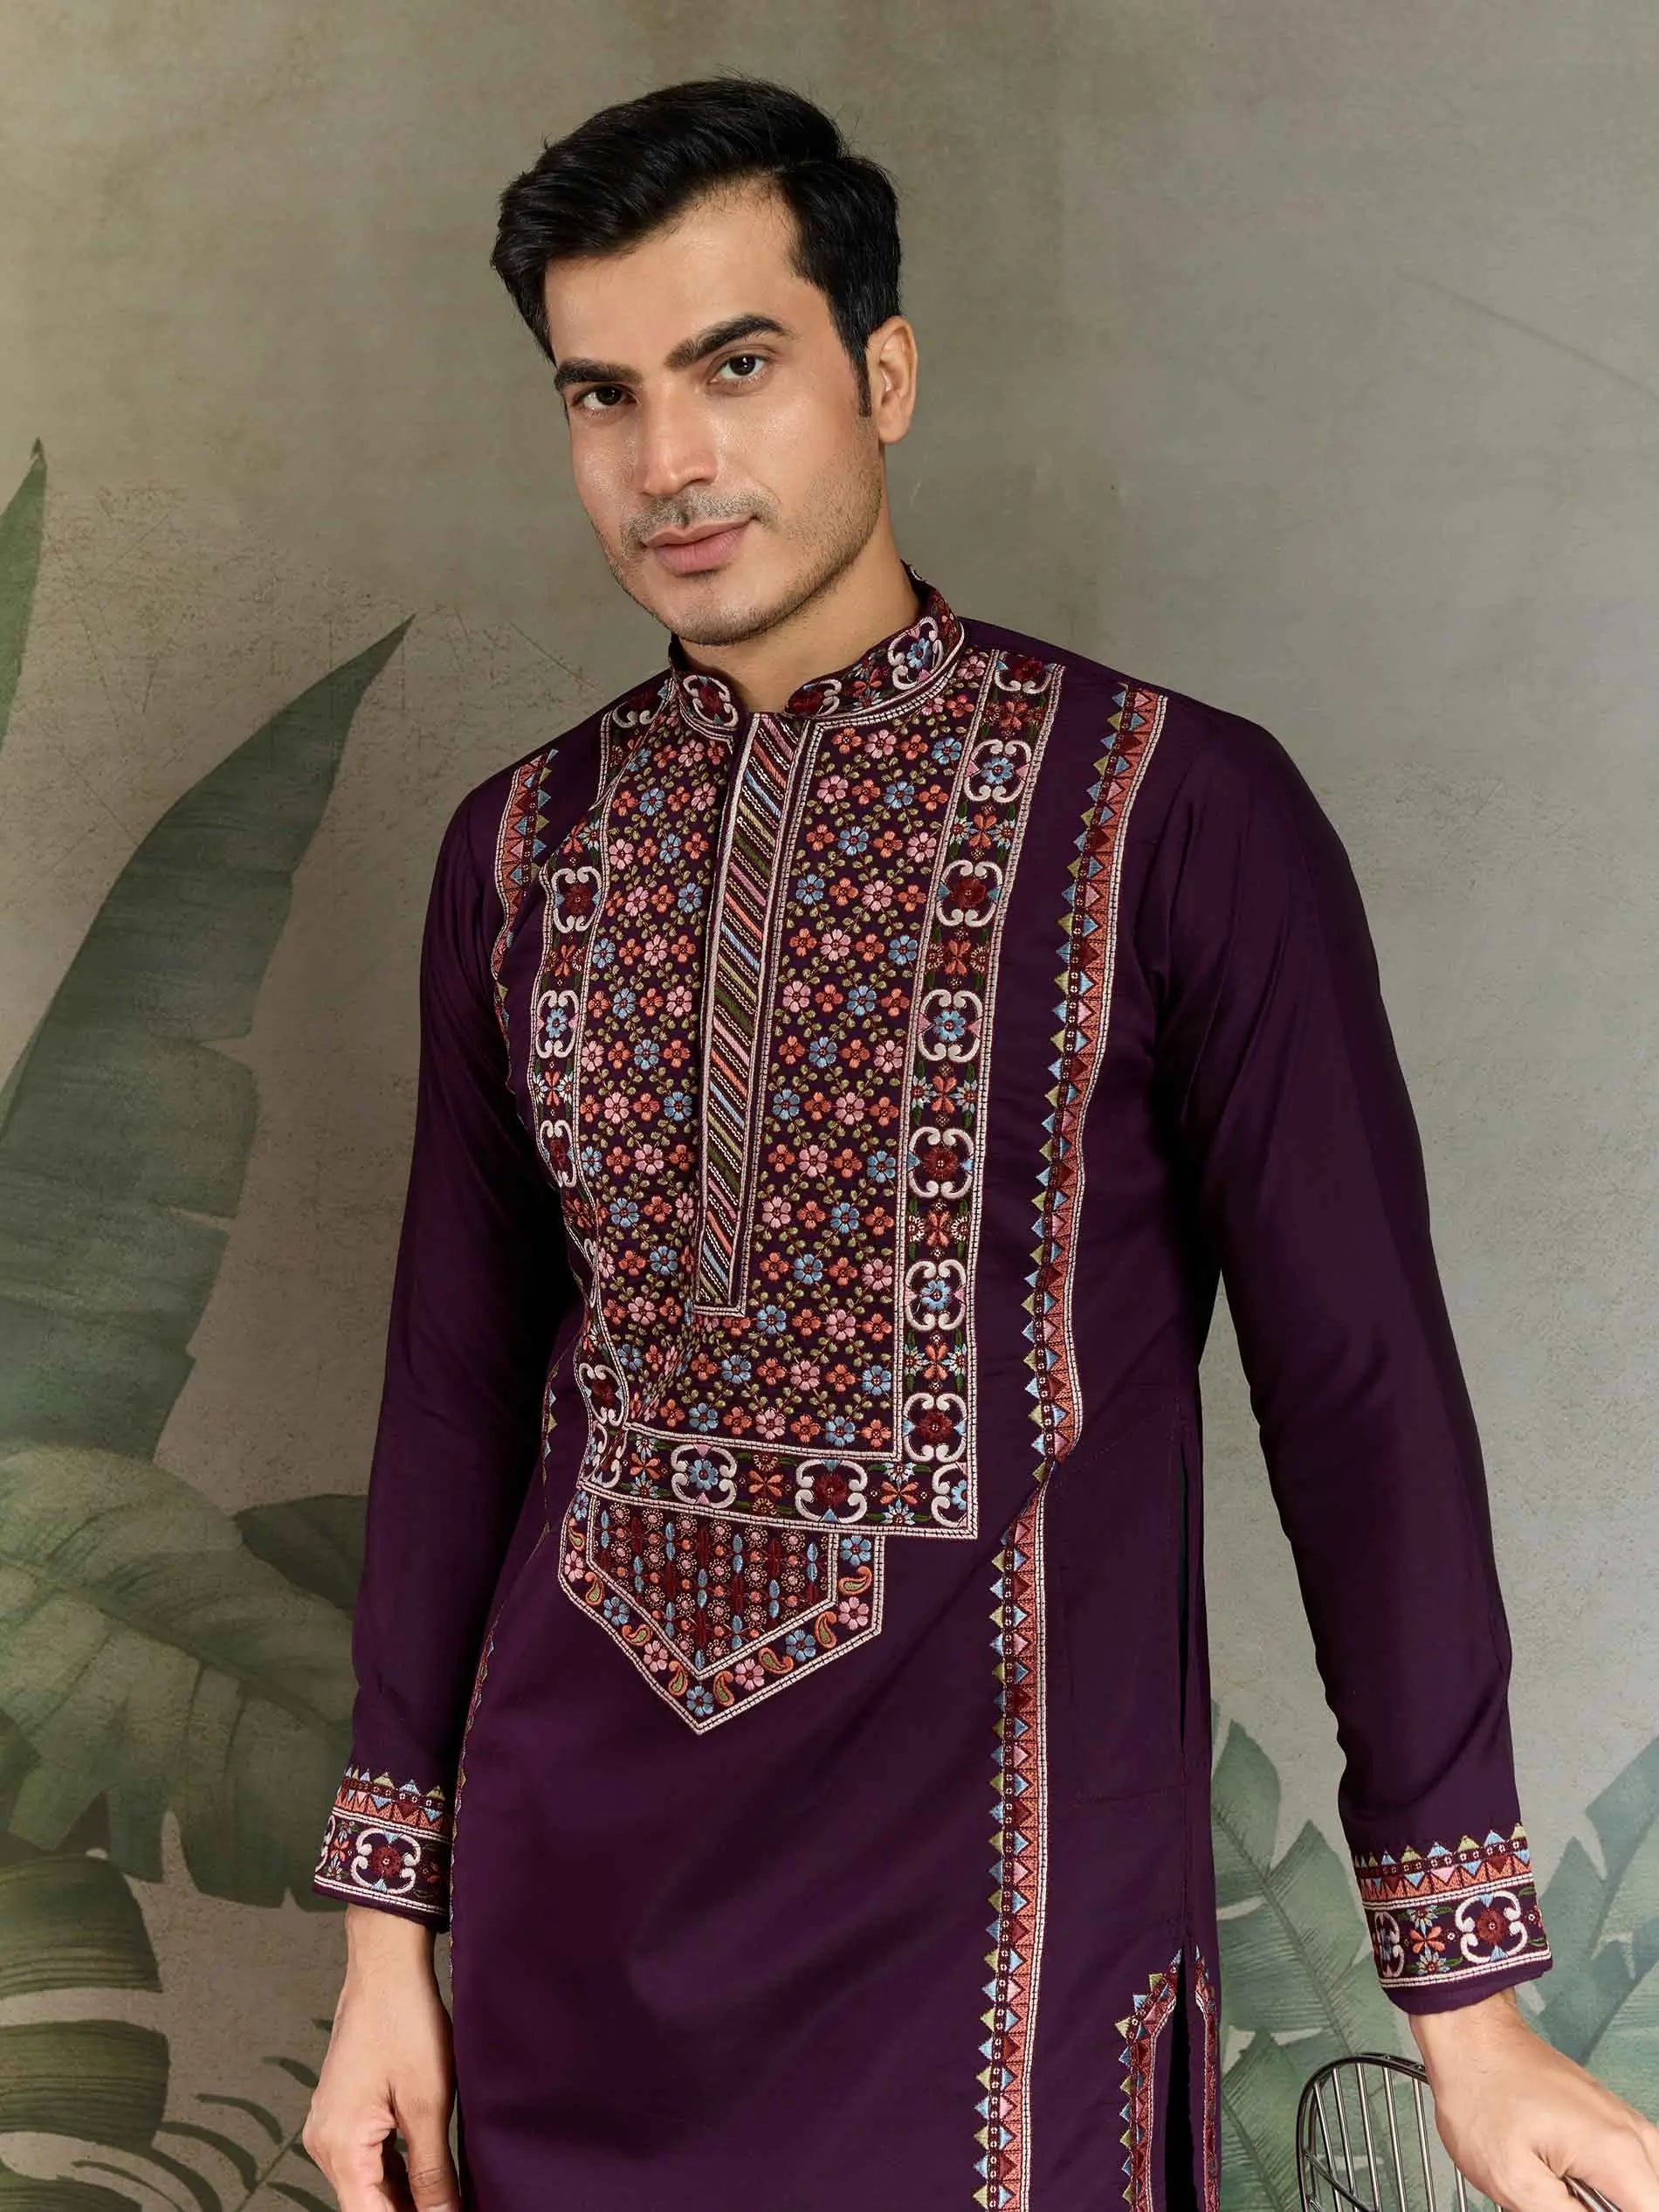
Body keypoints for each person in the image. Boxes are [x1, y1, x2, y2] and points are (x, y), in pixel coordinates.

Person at [299, 73, 1659, 2212]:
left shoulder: (1171, 817)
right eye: (599, 396)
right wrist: (388, 1953)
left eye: (734, 366)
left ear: (883, 374)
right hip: (567, 1972)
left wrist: (1462, 2004)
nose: (666, 463)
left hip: (992, 1986)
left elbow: (1359, 1396)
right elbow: (456, 1397)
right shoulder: (518, 855)